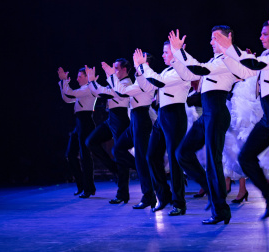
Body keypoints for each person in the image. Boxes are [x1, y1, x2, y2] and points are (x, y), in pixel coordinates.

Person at [214, 21, 269, 233]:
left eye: (264, 34)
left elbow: (252, 65)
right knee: (245, 157)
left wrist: (229, 47)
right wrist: (226, 53)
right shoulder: (265, 55)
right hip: (268, 115)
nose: (260, 38)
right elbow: (245, 72)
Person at [170, 27, 241, 224]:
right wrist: (177, 57)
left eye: (215, 38)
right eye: (211, 38)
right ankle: (212, 192)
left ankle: (220, 210)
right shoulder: (214, 60)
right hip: (208, 114)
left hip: (217, 112)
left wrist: (180, 52)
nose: (211, 42)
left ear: (229, 38)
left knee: (213, 161)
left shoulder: (227, 58)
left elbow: (200, 69)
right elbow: (191, 74)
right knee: (182, 153)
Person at [132, 44, 191, 215]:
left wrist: (144, 67)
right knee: (151, 155)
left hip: (175, 114)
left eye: (166, 52)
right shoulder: (165, 71)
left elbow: (158, 82)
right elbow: (148, 86)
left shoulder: (180, 71)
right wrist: (139, 70)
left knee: (174, 160)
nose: (163, 55)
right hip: (162, 115)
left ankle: (179, 203)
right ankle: (164, 196)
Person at [93, 57, 156, 208]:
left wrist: (109, 75)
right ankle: (142, 172)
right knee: (118, 150)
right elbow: (108, 92)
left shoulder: (142, 81)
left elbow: (119, 92)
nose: (137, 65)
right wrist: (95, 81)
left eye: (141, 63)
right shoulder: (137, 81)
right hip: (133, 119)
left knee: (141, 159)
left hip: (138, 119)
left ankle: (148, 195)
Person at [85, 59, 131, 199]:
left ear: (124, 70)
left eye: (116, 68)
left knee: (119, 154)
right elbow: (99, 93)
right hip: (111, 118)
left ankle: (123, 193)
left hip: (120, 118)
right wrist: (91, 81)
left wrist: (94, 82)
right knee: (90, 142)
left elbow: (105, 93)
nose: (113, 70)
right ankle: (115, 170)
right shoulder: (115, 82)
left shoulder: (126, 83)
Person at [57, 67, 96, 197]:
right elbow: (67, 98)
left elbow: (70, 93)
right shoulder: (81, 90)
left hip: (86, 122)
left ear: (86, 77)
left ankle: (89, 188)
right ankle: (82, 186)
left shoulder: (88, 88)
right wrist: (63, 83)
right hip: (79, 122)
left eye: (80, 76)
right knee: (70, 154)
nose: (77, 78)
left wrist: (64, 80)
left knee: (85, 157)